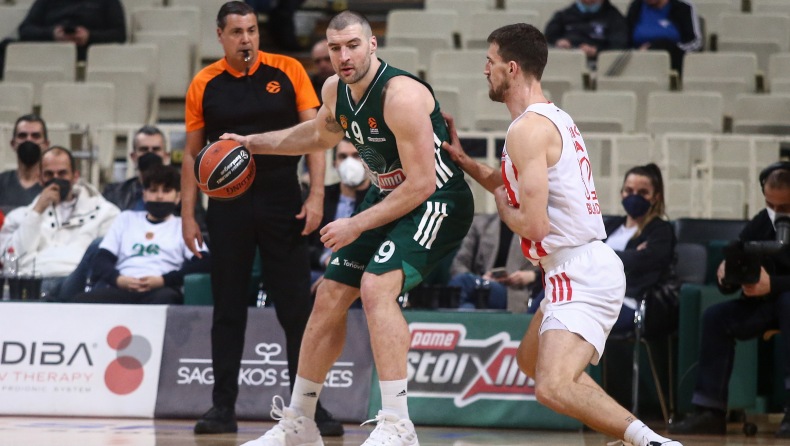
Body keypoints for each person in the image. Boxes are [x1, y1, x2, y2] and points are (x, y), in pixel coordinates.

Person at [221, 10, 474, 446]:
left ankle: (398, 424)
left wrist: (355, 223)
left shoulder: (401, 95)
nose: (344, 56)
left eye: (353, 45)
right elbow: (318, 137)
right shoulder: (334, 90)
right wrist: (251, 143)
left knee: (376, 287)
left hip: (438, 200)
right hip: (387, 195)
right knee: (329, 296)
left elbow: (421, 184)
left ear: (372, 44)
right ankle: (300, 423)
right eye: (335, 48)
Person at [440, 23, 682, 446]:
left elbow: (534, 225)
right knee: (531, 362)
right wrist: (465, 161)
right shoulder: (552, 118)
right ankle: (639, 438)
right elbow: (510, 184)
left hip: (579, 270)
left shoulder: (527, 130)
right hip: (575, 266)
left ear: (512, 68)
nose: (485, 70)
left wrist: (502, 208)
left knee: (551, 386)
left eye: (490, 61)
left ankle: (652, 442)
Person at [180, 1, 340, 437]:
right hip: (227, 207)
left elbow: (317, 136)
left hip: (282, 200)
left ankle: (309, 407)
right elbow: (192, 155)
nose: (246, 39)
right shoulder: (204, 82)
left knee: (296, 309)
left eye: (251, 30)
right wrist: (188, 215)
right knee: (228, 308)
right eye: (237, 32)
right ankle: (222, 408)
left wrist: (316, 195)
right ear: (220, 36)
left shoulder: (288, 70)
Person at [668, 162, 790, 438]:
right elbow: (737, 257)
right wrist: (727, 274)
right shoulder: (762, 222)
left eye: (784, 207)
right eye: (771, 205)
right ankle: (709, 411)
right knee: (716, 317)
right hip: (765, 305)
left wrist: (774, 284)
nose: (776, 212)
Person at [73, 165, 209, 305]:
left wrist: (164, 280)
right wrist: (118, 279)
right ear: (144, 194)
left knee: (167, 298)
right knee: (82, 301)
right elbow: (101, 260)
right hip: (122, 287)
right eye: (153, 190)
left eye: (166, 191)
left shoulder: (184, 226)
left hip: (162, 289)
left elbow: (204, 262)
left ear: (178, 197)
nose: (159, 196)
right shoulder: (125, 219)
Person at [0, 146, 120, 300]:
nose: (56, 179)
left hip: (77, 282)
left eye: (62, 173)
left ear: (75, 176)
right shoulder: (19, 216)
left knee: (98, 245)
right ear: (40, 178)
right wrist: (37, 212)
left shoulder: (105, 212)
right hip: (35, 282)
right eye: (49, 174)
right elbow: (12, 261)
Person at [604, 163, 675, 335]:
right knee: (549, 302)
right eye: (629, 191)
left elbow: (645, 263)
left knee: (575, 318)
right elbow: (584, 255)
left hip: (628, 302)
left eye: (643, 193)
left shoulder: (660, 230)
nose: (634, 197)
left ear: (655, 197)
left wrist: (601, 257)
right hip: (593, 295)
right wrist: (631, 255)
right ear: (621, 193)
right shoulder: (610, 226)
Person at [308, 138, 370, 289]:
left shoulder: (378, 201)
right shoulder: (319, 199)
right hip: (317, 270)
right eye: (343, 157)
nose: (350, 163)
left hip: (360, 273)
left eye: (356, 155)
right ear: (334, 163)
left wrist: (339, 269)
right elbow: (300, 245)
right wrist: (325, 259)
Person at [449, 212, 541, 312]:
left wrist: (532, 276)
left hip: (514, 292)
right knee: (467, 307)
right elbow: (458, 264)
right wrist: (481, 280)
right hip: (480, 286)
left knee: (463, 281)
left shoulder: (539, 228)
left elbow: (551, 270)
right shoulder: (481, 224)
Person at [17, 0, 126, 61]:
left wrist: (89, 36)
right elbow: (25, 30)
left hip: (90, 55)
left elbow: (119, 34)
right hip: (50, 54)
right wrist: (52, 34)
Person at [544, 0, 629, 69]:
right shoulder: (564, 14)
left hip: (597, 64)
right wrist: (558, 42)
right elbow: (549, 34)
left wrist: (597, 51)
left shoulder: (615, 17)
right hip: (566, 60)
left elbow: (619, 44)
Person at [625, 0, 702, 74]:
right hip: (638, 65)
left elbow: (695, 43)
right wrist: (638, 53)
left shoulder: (683, 7)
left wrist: (663, 48)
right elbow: (625, 41)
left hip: (673, 66)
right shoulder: (636, 6)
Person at [0, 114, 50, 214]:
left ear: (46, 144)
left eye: (35, 136)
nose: (29, 140)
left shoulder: (52, 185)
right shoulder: (1, 182)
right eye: (22, 135)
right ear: (13, 144)